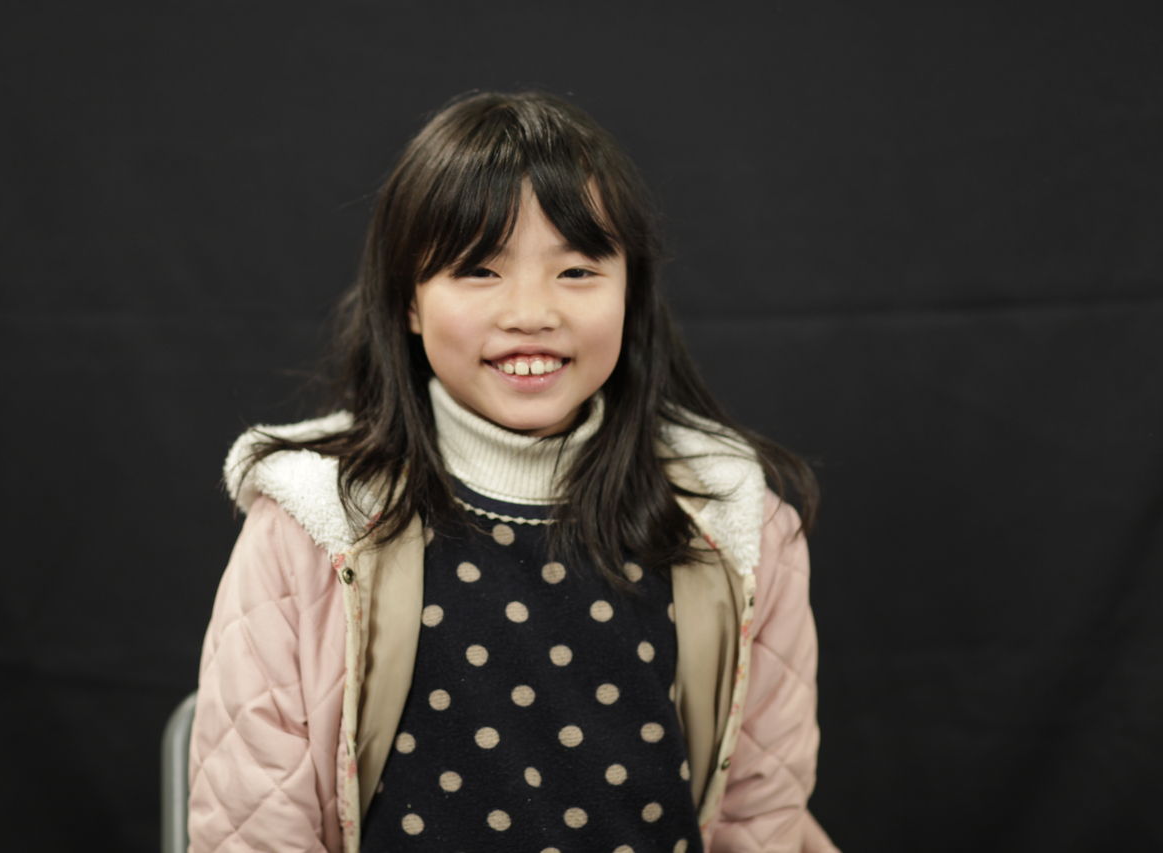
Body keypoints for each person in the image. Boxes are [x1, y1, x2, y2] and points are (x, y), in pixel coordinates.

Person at [188, 90, 838, 853]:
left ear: (631, 292)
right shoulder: (313, 519)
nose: (531, 312)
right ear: (408, 301)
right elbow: (255, 826)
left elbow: (760, 812)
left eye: (577, 270)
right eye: (478, 269)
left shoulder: (732, 519)